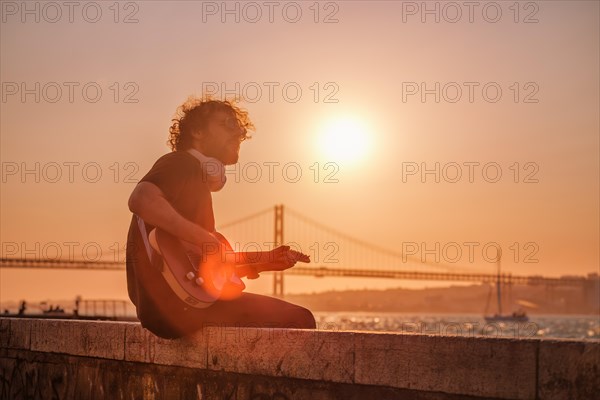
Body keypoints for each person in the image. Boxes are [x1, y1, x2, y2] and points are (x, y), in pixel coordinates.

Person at [126, 96, 316, 339]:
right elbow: (140, 199)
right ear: (197, 131)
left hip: (174, 309)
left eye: (239, 127)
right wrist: (207, 238)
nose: (238, 132)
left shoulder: (194, 183)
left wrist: (264, 261)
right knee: (299, 318)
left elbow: (197, 266)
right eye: (227, 124)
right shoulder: (181, 163)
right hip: (181, 309)